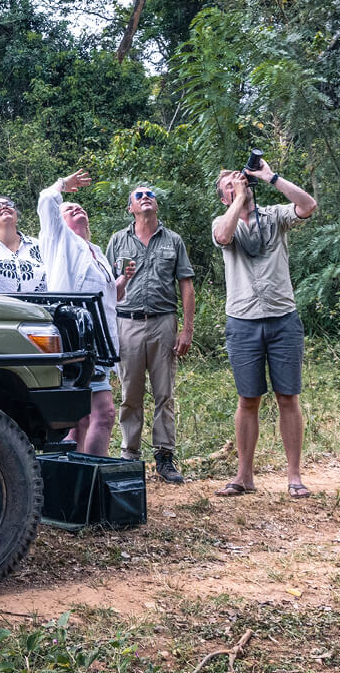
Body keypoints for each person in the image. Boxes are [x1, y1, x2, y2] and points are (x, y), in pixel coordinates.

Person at [210, 155, 318, 498]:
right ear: (224, 197)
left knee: (288, 397)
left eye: (240, 181)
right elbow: (225, 236)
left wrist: (271, 177)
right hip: (243, 321)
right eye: (229, 185)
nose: (238, 185)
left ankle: (294, 476)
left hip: (282, 317)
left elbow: (308, 205)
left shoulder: (274, 216)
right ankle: (244, 476)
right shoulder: (221, 220)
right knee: (248, 398)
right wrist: (238, 200)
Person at [105, 183, 196, 483]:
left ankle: (164, 458)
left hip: (163, 323)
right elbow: (105, 287)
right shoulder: (118, 240)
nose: (146, 198)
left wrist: (186, 328)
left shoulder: (173, 240)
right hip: (127, 323)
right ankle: (129, 455)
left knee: (164, 393)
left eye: (150, 195)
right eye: (139, 196)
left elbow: (185, 284)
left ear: (156, 205)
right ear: (130, 207)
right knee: (130, 393)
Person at [37, 170, 128, 456]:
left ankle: (86, 479)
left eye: (80, 207)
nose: (77, 208)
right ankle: (82, 479)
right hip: (73, 337)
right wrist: (64, 184)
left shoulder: (97, 251)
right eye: (69, 208)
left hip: (98, 340)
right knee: (88, 416)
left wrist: (122, 282)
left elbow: (108, 298)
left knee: (94, 416)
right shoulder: (58, 240)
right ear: (59, 220)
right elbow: (46, 199)